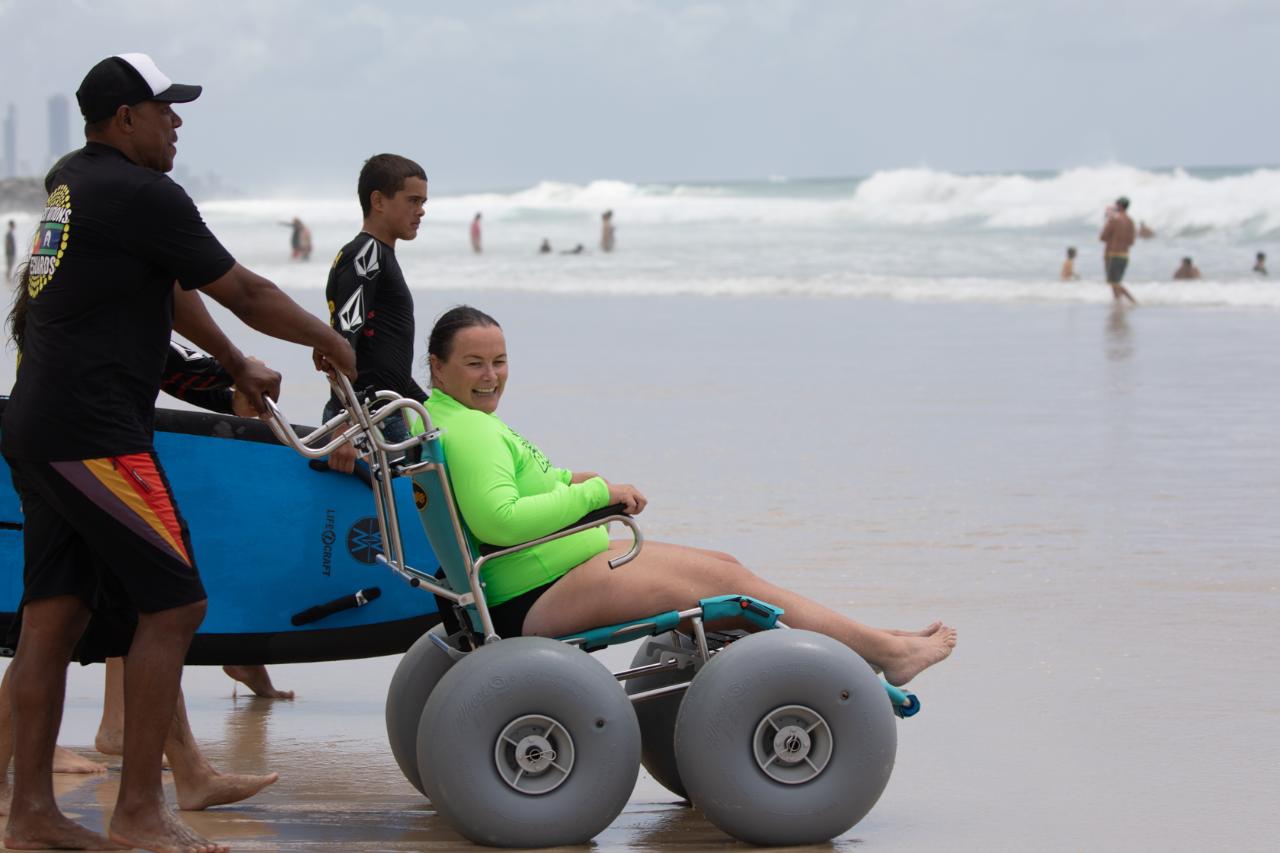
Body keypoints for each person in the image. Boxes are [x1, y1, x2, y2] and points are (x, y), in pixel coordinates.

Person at [0, 53, 354, 853]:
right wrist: (332, 342)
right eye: (165, 108)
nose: (177, 121)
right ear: (126, 118)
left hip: (38, 424)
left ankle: (30, 815)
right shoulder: (141, 192)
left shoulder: (73, 183)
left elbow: (164, 289)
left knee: (55, 616)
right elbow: (246, 290)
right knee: (175, 603)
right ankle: (137, 811)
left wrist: (230, 366)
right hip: (95, 434)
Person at [423, 306, 957, 686]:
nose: (491, 376)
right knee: (734, 590)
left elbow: (516, 487)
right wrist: (593, 495)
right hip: (535, 591)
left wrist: (570, 482)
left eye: (500, 361)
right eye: (475, 363)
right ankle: (883, 653)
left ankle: (866, 642)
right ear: (438, 366)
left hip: (543, 572)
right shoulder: (473, 431)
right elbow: (500, 520)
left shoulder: (451, 418)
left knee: (727, 566)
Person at [322, 153, 429, 475]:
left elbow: (382, 357)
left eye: (423, 202)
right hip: (365, 418)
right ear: (378, 201)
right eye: (413, 200)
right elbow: (342, 340)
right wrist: (343, 425)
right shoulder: (367, 254)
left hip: (380, 411)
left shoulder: (377, 255)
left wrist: (430, 404)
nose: (421, 211)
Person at [1099, 196, 1138, 305]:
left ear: (1120, 206)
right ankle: (1118, 303)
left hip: (1112, 254)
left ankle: (1133, 301)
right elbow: (1131, 242)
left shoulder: (1114, 220)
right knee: (1115, 282)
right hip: (1124, 255)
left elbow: (1103, 237)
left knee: (1114, 283)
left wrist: (1108, 220)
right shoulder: (1130, 221)